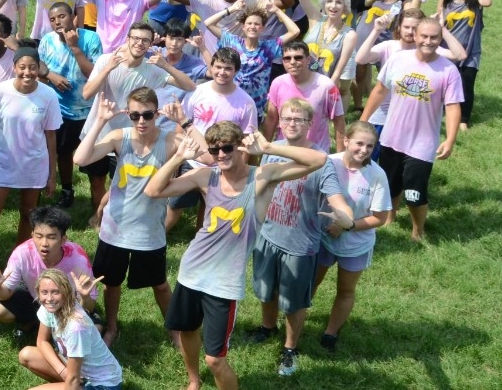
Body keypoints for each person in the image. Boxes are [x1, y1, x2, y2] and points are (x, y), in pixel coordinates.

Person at [144, 122, 327, 390]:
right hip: (191, 272)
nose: (220, 155)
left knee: (215, 360)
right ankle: (193, 381)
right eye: (214, 150)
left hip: (223, 284)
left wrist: (269, 147)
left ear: (240, 146)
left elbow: (319, 159)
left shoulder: (262, 176)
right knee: (187, 331)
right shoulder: (207, 176)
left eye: (227, 148)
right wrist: (179, 157)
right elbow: (153, 191)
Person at [243, 97, 353, 376]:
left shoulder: (321, 160)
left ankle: (290, 348)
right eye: (287, 118)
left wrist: (344, 215)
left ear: (309, 124)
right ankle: (268, 327)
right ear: (279, 122)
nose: (292, 124)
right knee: (266, 291)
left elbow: (336, 197)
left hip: (299, 244)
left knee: (293, 302)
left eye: (299, 119)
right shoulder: (271, 149)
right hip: (267, 236)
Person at [72, 88, 179, 347]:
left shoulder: (170, 140)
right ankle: (111, 327)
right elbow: (79, 158)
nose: (141, 122)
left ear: (157, 112)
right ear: (128, 114)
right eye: (134, 116)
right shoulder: (120, 136)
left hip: (149, 228)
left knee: (160, 284)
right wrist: (99, 121)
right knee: (111, 283)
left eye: (148, 115)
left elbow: (205, 153)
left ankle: (175, 331)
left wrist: (183, 121)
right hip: (115, 227)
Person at [359, 19, 462, 243]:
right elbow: (379, 90)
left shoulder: (448, 70)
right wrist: (364, 120)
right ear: (415, 36)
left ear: (439, 39)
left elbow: (453, 106)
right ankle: (390, 217)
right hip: (391, 136)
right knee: (389, 183)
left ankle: (418, 230)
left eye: (434, 37)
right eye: (423, 36)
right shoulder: (398, 59)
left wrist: (450, 139)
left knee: (414, 193)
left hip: (422, 143)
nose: (428, 41)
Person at [313, 122, 392, 353]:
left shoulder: (377, 175)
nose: (364, 150)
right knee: (311, 283)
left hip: (356, 245)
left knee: (345, 290)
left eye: (370, 146)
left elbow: (380, 217)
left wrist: (346, 227)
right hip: (322, 238)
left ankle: (331, 332)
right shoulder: (329, 162)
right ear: (346, 140)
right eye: (359, 143)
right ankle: (297, 320)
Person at [0, 45, 61, 258]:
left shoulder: (48, 95)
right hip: (2, 164)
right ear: (14, 67)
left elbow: (51, 136)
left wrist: (52, 174)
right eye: (22, 67)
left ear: (39, 68)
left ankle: (19, 258)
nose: (27, 72)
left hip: (34, 165)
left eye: (33, 67)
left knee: (28, 215)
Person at [0, 206, 99, 336]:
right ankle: (37, 321)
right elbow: (5, 294)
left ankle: (51, 325)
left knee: (94, 332)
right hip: (37, 300)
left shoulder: (78, 259)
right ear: (32, 235)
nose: (44, 243)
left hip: (69, 306)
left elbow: (89, 306)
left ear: (63, 239)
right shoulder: (22, 253)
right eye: (39, 236)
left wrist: (84, 296)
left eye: (51, 237)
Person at [37, 2, 102, 209]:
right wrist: (50, 75)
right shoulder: (47, 41)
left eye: (62, 16)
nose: (57, 22)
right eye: (53, 19)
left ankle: (97, 198)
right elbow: (37, 65)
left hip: (88, 109)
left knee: (91, 154)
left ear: (73, 16)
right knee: (63, 152)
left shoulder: (90, 38)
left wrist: (74, 47)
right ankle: (67, 190)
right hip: (59, 110)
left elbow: (94, 75)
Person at [16, 269, 121, 390]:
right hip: (77, 373)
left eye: (55, 292)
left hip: (102, 384)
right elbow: (42, 341)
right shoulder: (48, 307)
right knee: (27, 354)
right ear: (38, 293)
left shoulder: (76, 327)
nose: (49, 298)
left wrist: (70, 379)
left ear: (66, 293)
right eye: (44, 292)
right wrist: (63, 372)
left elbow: (73, 381)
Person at [203, 0, 300, 117]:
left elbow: (295, 31)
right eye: (249, 23)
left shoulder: (269, 47)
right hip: (230, 100)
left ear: (262, 28)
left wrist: (276, 10)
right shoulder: (232, 41)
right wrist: (231, 9)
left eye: (257, 24)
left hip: (255, 104)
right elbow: (208, 23)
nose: (252, 27)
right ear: (243, 27)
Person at [264, 41, 345, 152]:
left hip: (315, 154)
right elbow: (271, 118)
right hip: (284, 152)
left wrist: (340, 157)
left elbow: (339, 121)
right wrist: (265, 150)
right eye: (287, 58)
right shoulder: (277, 83)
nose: (292, 62)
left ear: (308, 59)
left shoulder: (326, 86)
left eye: (298, 58)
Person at [438, 0, 491, 130]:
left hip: (471, 50)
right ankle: (443, 111)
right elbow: (439, 20)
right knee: (446, 82)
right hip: (448, 48)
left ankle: (463, 120)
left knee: (467, 84)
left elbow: (488, 2)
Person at [297, 0, 358, 110]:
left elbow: (338, 71)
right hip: (299, 76)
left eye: (338, 2)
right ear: (324, 3)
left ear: (345, 7)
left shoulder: (349, 35)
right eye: (329, 1)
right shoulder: (316, 19)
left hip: (321, 84)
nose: (333, 6)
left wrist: (329, 88)